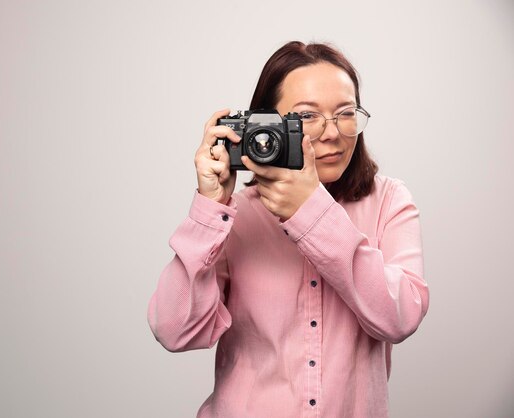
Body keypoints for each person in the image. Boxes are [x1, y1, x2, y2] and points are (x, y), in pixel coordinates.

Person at [147, 41, 429, 418]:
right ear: (267, 126)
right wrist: (208, 207)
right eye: (307, 117)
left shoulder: (390, 201)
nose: (332, 134)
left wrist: (311, 212)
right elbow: (174, 330)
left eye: (346, 113)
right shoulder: (234, 216)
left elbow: (400, 317)